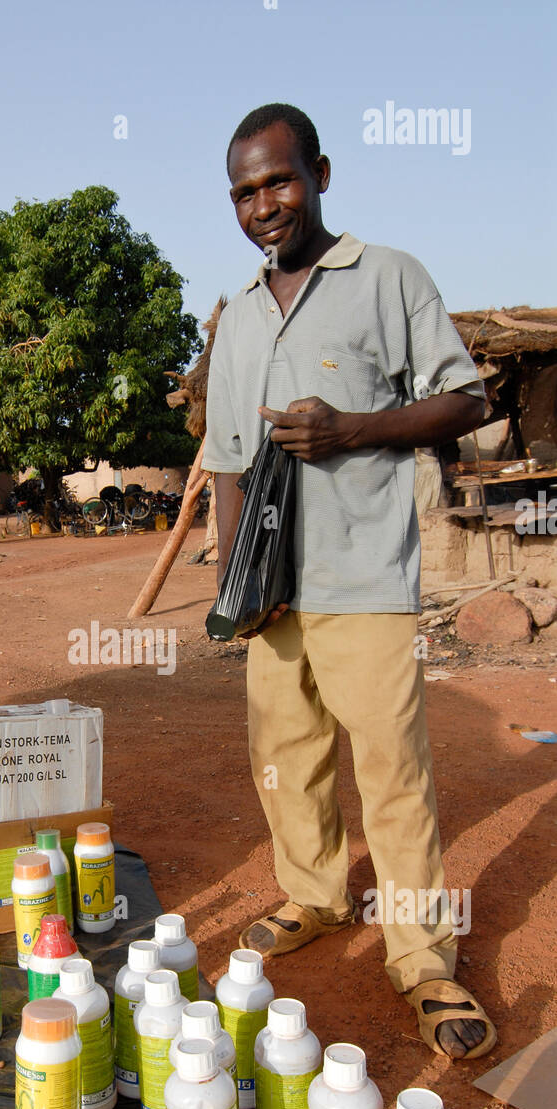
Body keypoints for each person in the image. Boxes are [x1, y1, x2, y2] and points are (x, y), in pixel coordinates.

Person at [203, 103, 496, 1060]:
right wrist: (237, 580)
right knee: (286, 758)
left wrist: (352, 429)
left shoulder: (389, 278)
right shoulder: (239, 314)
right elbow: (229, 465)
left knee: (393, 774)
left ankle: (422, 959)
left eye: (279, 181)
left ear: (320, 172)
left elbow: (465, 397)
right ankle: (316, 894)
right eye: (245, 192)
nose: (264, 206)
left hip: (365, 577)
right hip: (274, 591)